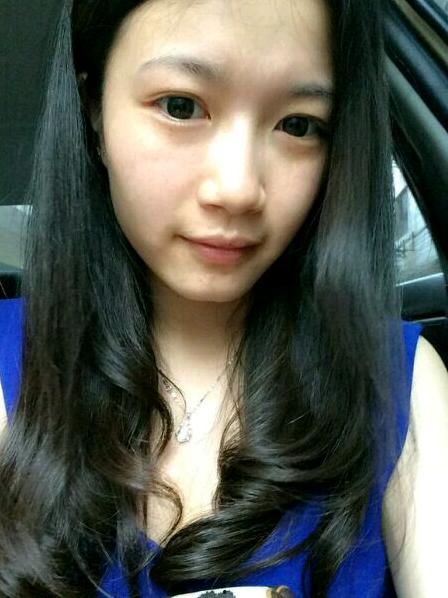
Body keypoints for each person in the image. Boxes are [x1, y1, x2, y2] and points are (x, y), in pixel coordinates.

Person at [0, 0, 447, 596]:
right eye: (181, 107)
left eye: (298, 125)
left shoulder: (401, 386)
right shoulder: (7, 366)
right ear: (93, 109)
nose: (238, 188)